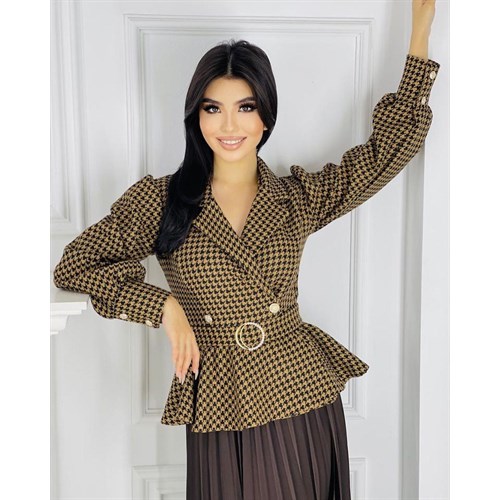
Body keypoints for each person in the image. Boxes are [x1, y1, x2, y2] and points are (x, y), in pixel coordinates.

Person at [53, 1, 440, 498]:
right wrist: (165, 307)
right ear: (196, 116)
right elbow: (76, 266)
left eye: (246, 107)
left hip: (300, 393)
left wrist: (420, 35)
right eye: (213, 108)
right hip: (220, 401)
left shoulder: (296, 199)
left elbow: (387, 152)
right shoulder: (163, 201)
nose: (229, 125)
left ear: (266, 118)